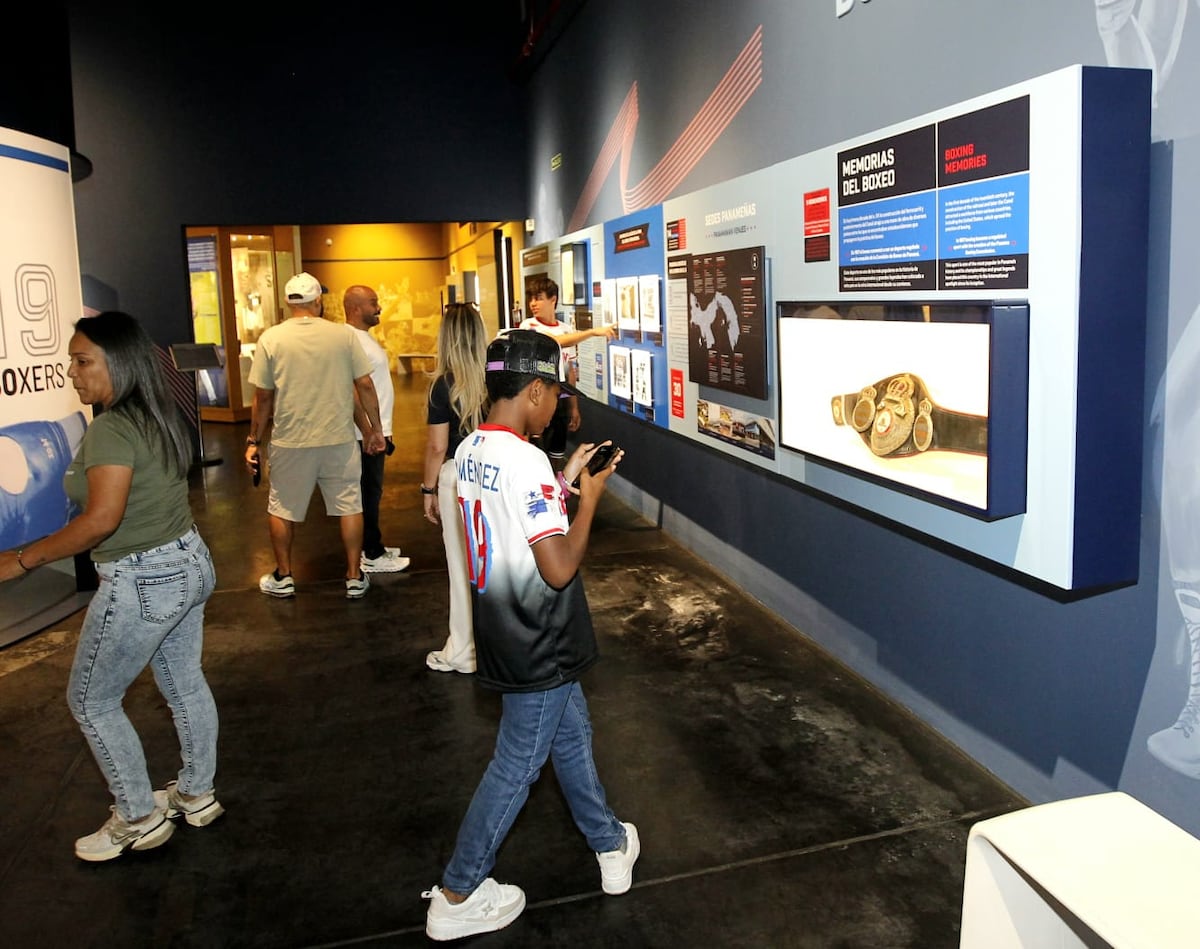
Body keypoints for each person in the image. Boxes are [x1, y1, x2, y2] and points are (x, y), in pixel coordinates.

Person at [422, 329, 638, 942]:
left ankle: (609, 843)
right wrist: (589, 498)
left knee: (571, 736)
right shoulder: (526, 461)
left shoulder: (471, 448)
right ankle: (458, 892)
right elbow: (559, 566)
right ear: (536, 391)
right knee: (518, 763)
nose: (557, 411)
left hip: (505, 630)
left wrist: (562, 480)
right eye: (555, 396)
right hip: (542, 636)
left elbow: (511, 518)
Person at [0, 311, 223, 861]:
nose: (72, 372)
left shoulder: (112, 428)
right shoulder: (156, 412)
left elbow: (101, 520)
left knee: (91, 700)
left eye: (83, 361)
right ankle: (196, 793)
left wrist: (23, 560)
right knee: (184, 684)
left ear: (118, 363)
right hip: (188, 562)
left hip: (145, 580)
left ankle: (138, 817)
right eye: (71, 361)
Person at [245, 272, 386, 600]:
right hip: (338, 439)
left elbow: (263, 397)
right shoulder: (342, 336)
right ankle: (354, 576)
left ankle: (284, 576)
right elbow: (364, 385)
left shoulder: (271, 339)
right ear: (318, 301)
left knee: (282, 507)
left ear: (287, 302)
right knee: (350, 505)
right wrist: (375, 430)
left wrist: (253, 440)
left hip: (290, 441)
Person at [421, 303, 490, 674]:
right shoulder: (496, 378)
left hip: (457, 477)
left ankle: (464, 651)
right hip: (495, 473)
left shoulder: (442, 385)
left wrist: (427, 490)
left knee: (461, 566)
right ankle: (498, 644)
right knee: (495, 563)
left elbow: (437, 447)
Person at [344, 284, 410, 574]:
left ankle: (371, 546)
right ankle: (371, 552)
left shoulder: (361, 338)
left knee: (372, 491)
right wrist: (371, 430)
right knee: (368, 493)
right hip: (365, 435)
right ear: (356, 308)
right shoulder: (350, 339)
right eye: (373, 303)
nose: (379, 307)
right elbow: (355, 388)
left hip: (372, 432)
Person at [518, 275, 617, 458]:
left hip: (560, 400)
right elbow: (555, 341)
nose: (533, 303)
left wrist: (573, 407)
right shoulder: (529, 326)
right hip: (537, 399)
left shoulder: (566, 329)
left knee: (557, 452)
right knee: (535, 452)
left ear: (553, 299)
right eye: (531, 298)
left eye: (538, 298)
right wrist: (593, 332)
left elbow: (569, 370)